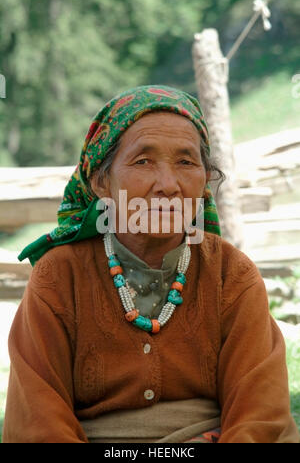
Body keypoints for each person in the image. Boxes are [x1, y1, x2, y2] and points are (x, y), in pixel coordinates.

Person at [2, 85, 299, 443]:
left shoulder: (230, 274)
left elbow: (260, 416)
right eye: (143, 162)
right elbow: (38, 424)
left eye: (186, 162)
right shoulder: (58, 276)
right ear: (101, 182)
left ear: (205, 180)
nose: (168, 184)